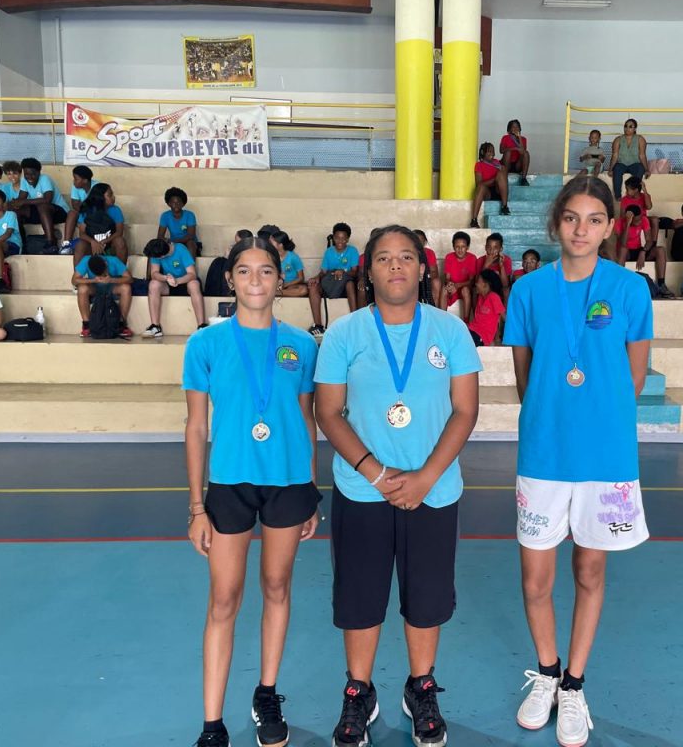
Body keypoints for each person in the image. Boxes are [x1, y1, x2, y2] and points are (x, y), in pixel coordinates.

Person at [314, 224, 481, 747]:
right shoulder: (345, 333)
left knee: (427, 597)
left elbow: (465, 410)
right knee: (360, 596)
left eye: (405, 256)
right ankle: (358, 692)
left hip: (434, 490)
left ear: (422, 267)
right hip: (363, 489)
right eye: (384, 258)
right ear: (368, 269)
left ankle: (420, 687)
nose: (395, 266)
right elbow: (328, 411)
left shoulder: (450, 331)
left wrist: (425, 477)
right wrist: (377, 473)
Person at [503, 176, 652, 747]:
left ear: (610, 226)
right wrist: (554, 413)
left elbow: (634, 377)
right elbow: (525, 376)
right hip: (544, 450)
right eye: (571, 218)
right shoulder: (528, 290)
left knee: (590, 570)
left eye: (593, 219)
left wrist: (596, 416)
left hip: (606, 456)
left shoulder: (630, 289)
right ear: (556, 223)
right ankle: (546, 672)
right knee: (535, 578)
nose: (581, 229)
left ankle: (574, 683)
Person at [183, 236, 320, 747]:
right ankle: (212, 724)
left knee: (277, 586)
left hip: (288, 484)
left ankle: (266, 694)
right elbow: (197, 427)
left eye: (266, 270)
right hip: (229, 485)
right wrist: (197, 506)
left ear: (280, 280)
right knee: (224, 598)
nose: (255, 280)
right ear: (230, 279)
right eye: (244, 271)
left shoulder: (302, 345)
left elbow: (307, 420)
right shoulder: (205, 344)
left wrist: (310, 488)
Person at [142, 238, 207, 338]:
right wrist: (165, 278)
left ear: (162, 256)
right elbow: (154, 274)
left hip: (185, 281)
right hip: (169, 282)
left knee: (194, 284)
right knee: (153, 284)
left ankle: (201, 326)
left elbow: (192, 274)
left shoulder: (181, 249)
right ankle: (155, 326)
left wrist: (177, 281)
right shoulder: (156, 250)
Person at [307, 222, 358, 337]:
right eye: (337, 238)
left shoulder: (352, 251)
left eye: (343, 238)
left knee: (350, 284)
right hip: (330, 284)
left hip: (344, 285)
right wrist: (316, 277)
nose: (340, 241)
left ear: (347, 239)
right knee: (313, 287)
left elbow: (354, 272)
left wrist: (343, 272)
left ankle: (355, 320)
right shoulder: (329, 252)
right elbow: (324, 272)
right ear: (334, 238)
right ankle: (318, 326)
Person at [615, 205, 674, 298]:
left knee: (660, 250)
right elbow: (623, 243)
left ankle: (661, 284)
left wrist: (643, 251)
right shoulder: (619, 222)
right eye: (636, 220)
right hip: (626, 252)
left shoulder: (643, 220)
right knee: (623, 249)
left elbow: (649, 240)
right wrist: (627, 224)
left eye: (640, 219)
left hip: (638, 249)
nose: (639, 222)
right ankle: (618, 284)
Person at [72, 253, 134, 338]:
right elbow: (74, 280)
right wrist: (93, 280)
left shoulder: (114, 260)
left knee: (126, 288)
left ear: (106, 263)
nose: (102, 275)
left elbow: (130, 279)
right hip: (95, 288)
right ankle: (87, 325)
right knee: (82, 288)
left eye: (103, 272)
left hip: (112, 287)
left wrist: (111, 280)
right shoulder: (86, 260)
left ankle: (120, 323)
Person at [73, 183, 128, 267]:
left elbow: (119, 232)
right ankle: (77, 274)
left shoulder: (115, 210)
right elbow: (82, 234)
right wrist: (93, 242)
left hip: (109, 244)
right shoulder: (87, 210)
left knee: (120, 241)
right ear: (101, 197)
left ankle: (121, 272)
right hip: (92, 245)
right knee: (80, 245)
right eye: (110, 195)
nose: (113, 197)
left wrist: (103, 242)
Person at [19, 158, 70, 248]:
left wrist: (24, 201)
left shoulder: (45, 179)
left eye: (33, 174)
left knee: (42, 206)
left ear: (39, 172)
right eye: (26, 174)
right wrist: (15, 203)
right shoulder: (24, 181)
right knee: (17, 211)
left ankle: (51, 242)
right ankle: (21, 243)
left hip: (59, 212)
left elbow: (47, 199)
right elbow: (21, 200)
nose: (29, 177)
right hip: (41, 213)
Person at [607, 119, 649, 200]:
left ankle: (634, 194)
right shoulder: (618, 139)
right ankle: (618, 196)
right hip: (622, 164)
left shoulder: (640, 139)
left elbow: (642, 155)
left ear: (635, 129)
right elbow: (615, 155)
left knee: (640, 168)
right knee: (617, 168)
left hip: (634, 164)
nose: (627, 128)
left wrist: (647, 169)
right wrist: (610, 169)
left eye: (630, 126)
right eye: (625, 126)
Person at [470, 142, 510, 228]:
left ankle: (504, 206)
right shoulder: (479, 165)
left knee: (501, 173)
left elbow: (503, 178)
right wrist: (494, 179)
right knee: (481, 187)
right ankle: (474, 220)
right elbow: (479, 184)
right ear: (482, 152)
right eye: (489, 151)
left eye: (493, 151)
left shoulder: (497, 163)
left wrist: (501, 174)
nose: (492, 154)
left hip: (499, 191)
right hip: (487, 192)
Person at [442, 231, 479, 322]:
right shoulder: (449, 257)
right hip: (454, 288)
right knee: (444, 289)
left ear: (467, 247)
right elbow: (447, 278)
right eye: (457, 247)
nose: (460, 249)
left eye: (463, 247)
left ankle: (466, 321)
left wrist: (457, 285)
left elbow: (471, 281)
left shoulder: (472, 258)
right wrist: (449, 284)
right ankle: (442, 319)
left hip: (465, 288)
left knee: (465, 290)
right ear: (453, 247)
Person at [158, 186, 200, 258]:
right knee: (156, 246)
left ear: (183, 203)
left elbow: (191, 235)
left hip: (188, 242)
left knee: (190, 243)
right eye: (173, 202)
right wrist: (167, 241)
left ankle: (191, 265)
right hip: (173, 243)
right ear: (168, 203)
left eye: (179, 202)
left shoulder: (189, 215)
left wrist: (174, 241)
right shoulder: (165, 216)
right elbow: (160, 236)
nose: (176, 204)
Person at [618, 176, 659, 251]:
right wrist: (631, 219)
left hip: (642, 220)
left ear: (636, 190)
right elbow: (622, 215)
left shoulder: (645, 196)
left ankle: (653, 244)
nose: (626, 192)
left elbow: (649, 207)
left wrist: (645, 190)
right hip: (631, 219)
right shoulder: (624, 199)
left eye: (628, 189)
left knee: (655, 219)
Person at [65, 166, 98, 255]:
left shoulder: (97, 187)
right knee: (71, 213)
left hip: (95, 216)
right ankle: (66, 245)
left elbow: (97, 207)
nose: (74, 181)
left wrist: (83, 207)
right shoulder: (75, 186)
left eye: (76, 179)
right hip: (82, 214)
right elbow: (75, 204)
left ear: (85, 181)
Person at [468, 268, 505, 346]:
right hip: (472, 330)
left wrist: (498, 338)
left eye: (478, 282)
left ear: (485, 285)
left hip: (482, 336)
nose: (476, 284)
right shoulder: (481, 297)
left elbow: (504, 317)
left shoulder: (494, 297)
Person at [267, 229, 308, 297]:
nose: (270, 245)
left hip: (291, 285)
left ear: (280, 245)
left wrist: (286, 284)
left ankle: (276, 293)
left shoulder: (293, 257)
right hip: (276, 284)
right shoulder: (270, 256)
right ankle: (276, 292)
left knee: (303, 290)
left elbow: (301, 278)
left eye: (272, 243)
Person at [477, 232, 513, 298]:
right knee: (476, 290)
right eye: (489, 247)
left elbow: (505, 285)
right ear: (485, 247)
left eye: (495, 247)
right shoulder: (480, 260)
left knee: (506, 291)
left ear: (501, 249)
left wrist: (501, 266)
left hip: (499, 289)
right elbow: (477, 282)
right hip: (485, 289)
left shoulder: (506, 260)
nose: (492, 250)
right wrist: (486, 265)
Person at [413, 229, 442, 308]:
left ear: (425, 242)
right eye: (416, 240)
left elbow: (435, 272)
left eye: (421, 241)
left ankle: (434, 310)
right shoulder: (407, 253)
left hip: (426, 278)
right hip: (411, 280)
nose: (418, 243)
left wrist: (423, 276)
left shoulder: (429, 253)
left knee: (436, 282)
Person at [500, 119, 531, 184]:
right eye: (513, 127)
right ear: (509, 129)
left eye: (517, 127)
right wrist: (515, 148)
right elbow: (501, 150)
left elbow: (523, 152)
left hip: (517, 165)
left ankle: (523, 179)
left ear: (520, 128)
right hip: (507, 164)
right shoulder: (505, 137)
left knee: (526, 153)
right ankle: (505, 177)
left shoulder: (523, 139)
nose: (515, 128)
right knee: (508, 152)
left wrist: (519, 137)